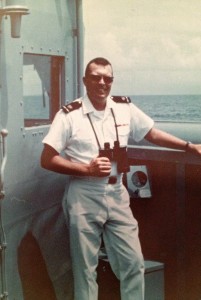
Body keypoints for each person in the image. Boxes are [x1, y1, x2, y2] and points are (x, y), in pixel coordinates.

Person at [41, 57, 201, 300]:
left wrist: (189, 146)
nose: (102, 83)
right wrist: (87, 169)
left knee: (133, 264)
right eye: (96, 77)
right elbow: (47, 158)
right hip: (84, 196)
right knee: (85, 270)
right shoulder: (69, 115)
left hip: (117, 194)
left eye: (108, 78)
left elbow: (152, 134)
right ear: (85, 81)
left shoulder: (124, 108)